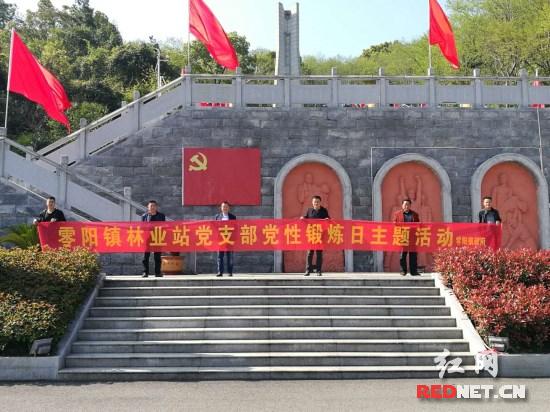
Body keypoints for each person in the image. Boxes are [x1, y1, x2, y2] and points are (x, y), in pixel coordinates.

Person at [301, 195, 330, 276]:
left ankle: (318, 271)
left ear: (320, 202)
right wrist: (303, 218)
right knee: (310, 253)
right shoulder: (309, 210)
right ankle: (308, 270)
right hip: (312, 235)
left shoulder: (324, 211)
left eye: (317, 202)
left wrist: (327, 219)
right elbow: (306, 217)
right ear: (312, 202)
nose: (316, 203)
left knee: (319, 253)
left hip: (320, 235)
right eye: (314, 202)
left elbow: (328, 219)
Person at [393, 198, 420, 276]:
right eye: (405, 204)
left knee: (413, 255)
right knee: (402, 255)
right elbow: (394, 224)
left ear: (410, 205)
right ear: (402, 205)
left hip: (412, 237)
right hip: (403, 237)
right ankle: (403, 271)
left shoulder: (415, 214)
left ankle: (413, 271)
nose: (406, 206)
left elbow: (418, 225)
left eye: (408, 204)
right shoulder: (397, 214)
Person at [142, 200, 166, 278]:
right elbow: (142, 227)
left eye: (154, 206)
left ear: (156, 207)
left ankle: (157, 272)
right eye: (151, 206)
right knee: (146, 256)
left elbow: (164, 226)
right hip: (147, 237)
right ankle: (145, 272)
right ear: (148, 207)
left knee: (157, 256)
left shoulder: (161, 216)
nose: (152, 207)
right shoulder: (144, 216)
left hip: (157, 237)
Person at [215, 201, 236, 277]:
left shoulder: (233, 217)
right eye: (223, 206)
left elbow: (235, 228)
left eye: (226, 206)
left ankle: (230, 272)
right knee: (220, 257)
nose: (225, 208)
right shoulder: (217, 217)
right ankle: (220, 272)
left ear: (229, 208)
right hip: (220, 240)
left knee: (229, 257)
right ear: (221, 208)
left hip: (229, 239)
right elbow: (215, 228)